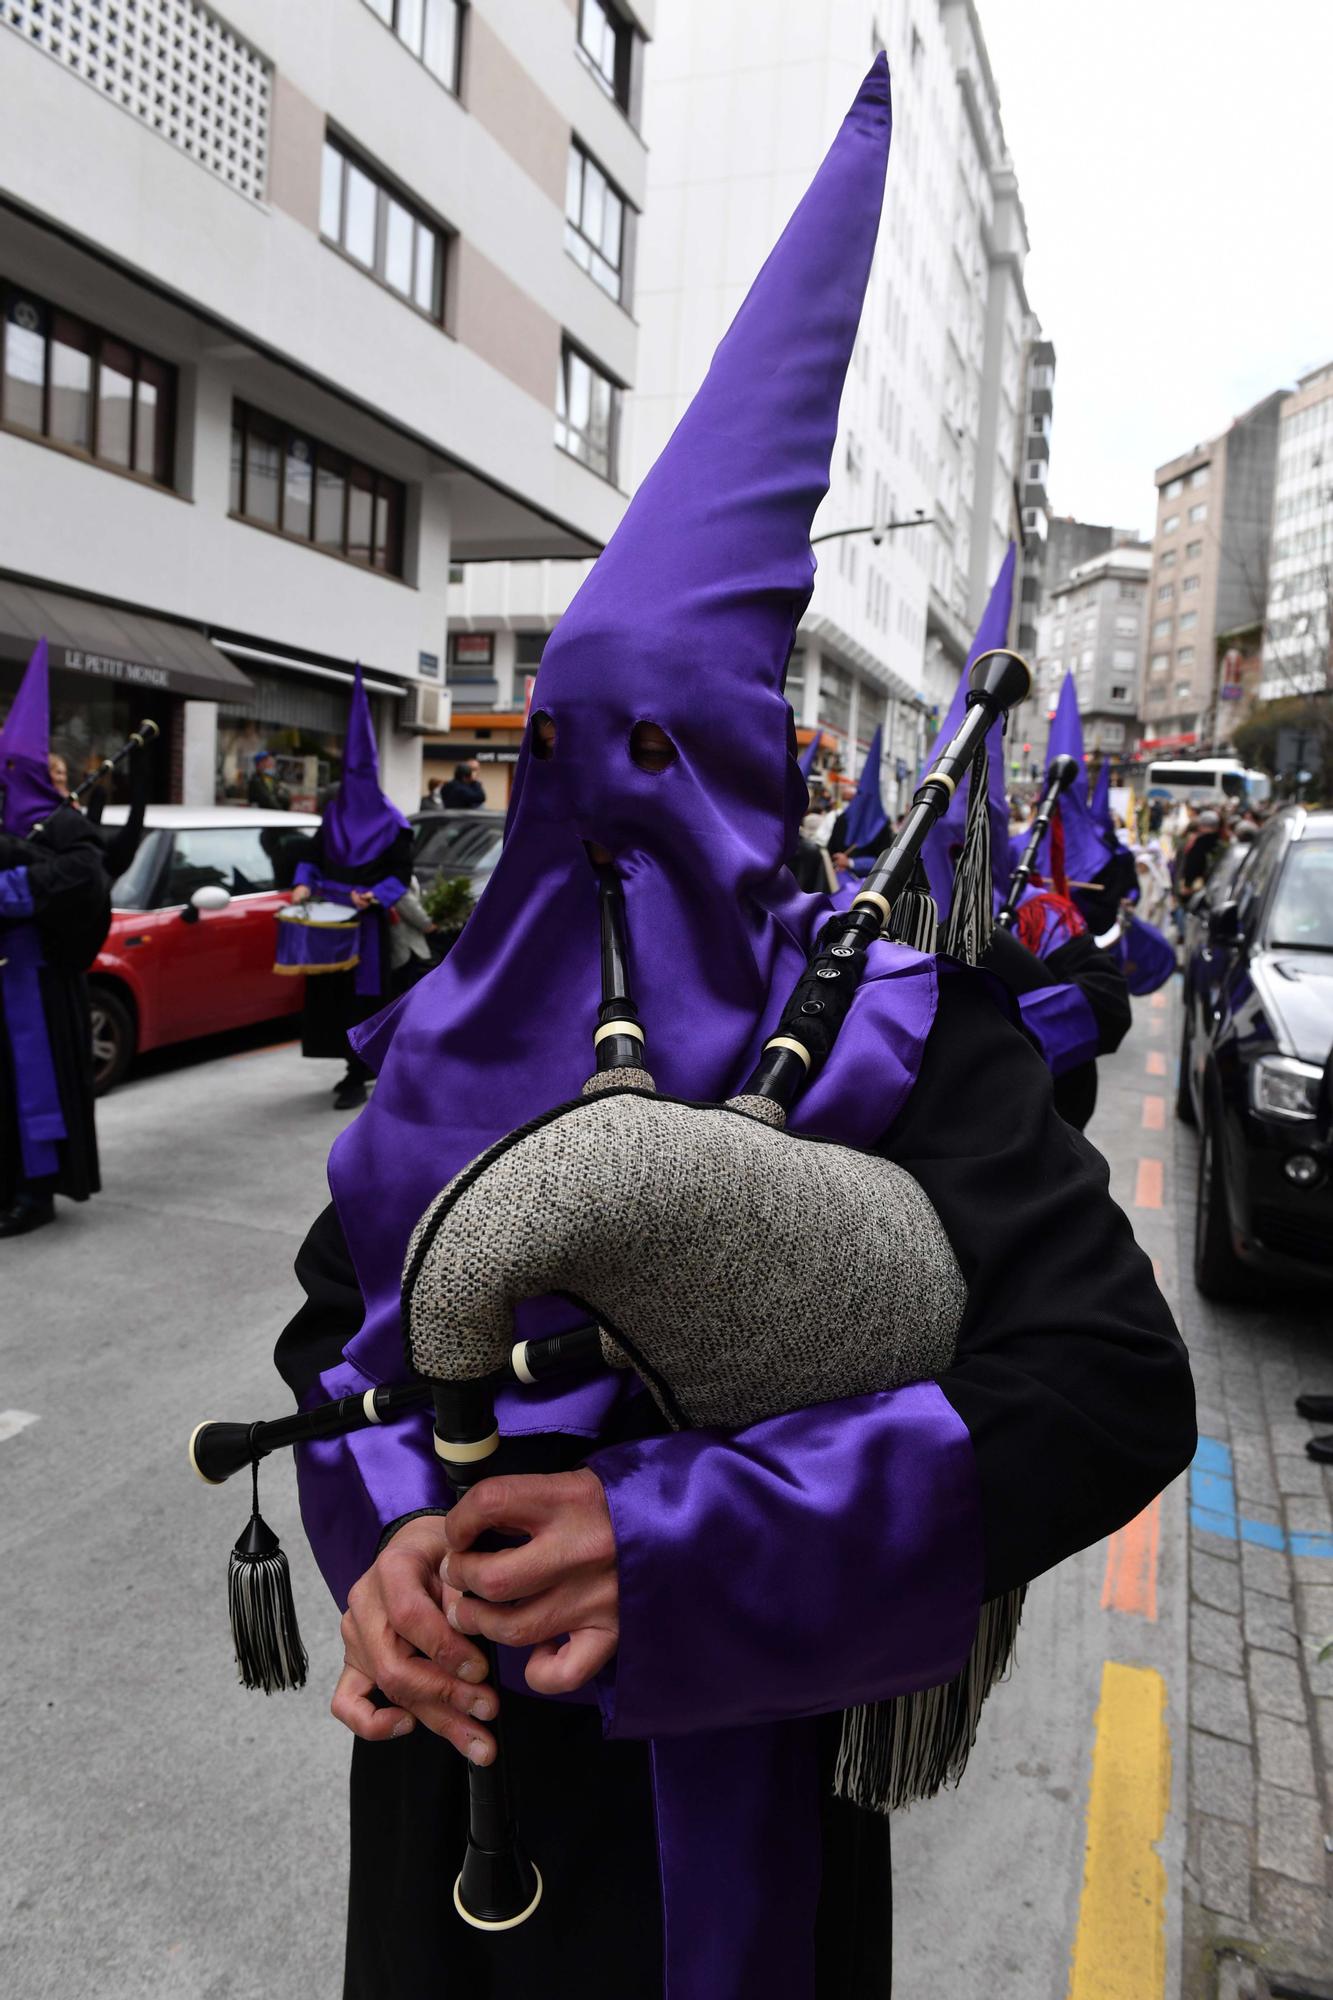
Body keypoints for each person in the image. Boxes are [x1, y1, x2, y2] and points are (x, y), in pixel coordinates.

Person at [273, 62, 1193, 1998]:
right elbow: (325, 1343)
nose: (620, 833)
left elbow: (1113, 1383)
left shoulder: (887, 1038)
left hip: (737, 1837)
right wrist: (370, 1546)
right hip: (440, 1835)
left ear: (772, 780)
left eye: (673, 764)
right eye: (575, 767)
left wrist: (679, 1541)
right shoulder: (450, 1031)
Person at [0, 641, 110, 1235]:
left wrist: (13, 881)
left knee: (31, 1091)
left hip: (35, 988)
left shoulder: (67, 826)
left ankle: (35, 1190)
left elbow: (83, 884)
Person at [290, 668, 412, 1110]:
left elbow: (402, 872)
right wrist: (303, 884)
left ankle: (358, 1072)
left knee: (364, 999)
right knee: (331, 999)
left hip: (367, 928)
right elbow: (310, 856)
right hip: (330, 922)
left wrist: (376, 894)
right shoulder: (332, 815)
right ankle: (346, 1063)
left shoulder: (395, 824)